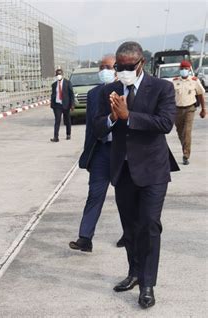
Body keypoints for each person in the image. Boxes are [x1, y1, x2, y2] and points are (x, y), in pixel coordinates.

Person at [94, 41, 179, 309]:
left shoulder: (162, 88)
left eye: (128, 66)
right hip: (123, 169)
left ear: (141, 63)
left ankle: (147, 284)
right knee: (129, 227)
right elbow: (97, 127)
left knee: (150, 225)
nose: (123, 71)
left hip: (153, 170)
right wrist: (112, 117)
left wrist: (129, 116)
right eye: (119, 67)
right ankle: (133, 272)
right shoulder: (109, 90)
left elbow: (165, 123)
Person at [70, 54, 124, 252]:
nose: (104, 71)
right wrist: (89, 153)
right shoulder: (93, 94)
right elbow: (91, 128)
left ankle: (129, 234)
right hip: (101, 151)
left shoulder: (126, 90)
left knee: (124, 197)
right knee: (94, 195)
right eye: (102, 67)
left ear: (117, 69)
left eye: (108, 67)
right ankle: (85, 237)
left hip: (122, 153)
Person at [173, 60, 206, 165]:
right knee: (180, 132)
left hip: (190, 109)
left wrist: (203, 109)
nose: (183, 71)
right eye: (182, 69)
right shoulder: (175, 81)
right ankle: (185, 147)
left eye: (185, 69)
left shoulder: (194, 81)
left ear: (189, 69)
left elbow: (200, 94)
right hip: (177, 110)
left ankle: (186, 155)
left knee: (187, 132)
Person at [50, 68, 74, 142]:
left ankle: (68, 134)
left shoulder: (67, 83)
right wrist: (52, 104)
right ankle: (56, 137)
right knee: (57, 121)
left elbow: (71, 94)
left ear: (62, 75)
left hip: (66, 104)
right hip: (57, 105)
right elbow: (53, 95)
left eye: (60, 74)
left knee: (67, 120)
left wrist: (72, 104)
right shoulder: (54, 85)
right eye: (57, 74)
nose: (58, 76)